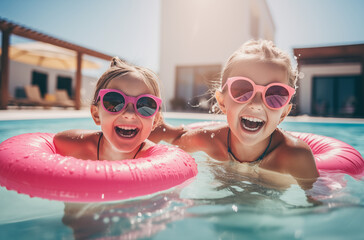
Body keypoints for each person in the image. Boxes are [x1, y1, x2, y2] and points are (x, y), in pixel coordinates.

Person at [150, 40, 319, 189]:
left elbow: (317, 204)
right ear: (222, 102)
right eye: (242, 89)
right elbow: (174, 140)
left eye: (275, 94)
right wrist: (161, 129)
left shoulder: (296, 157)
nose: (256, 104)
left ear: (283, 113)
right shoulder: (207, 141)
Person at [54, 57, 162, 161]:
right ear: (96, 115)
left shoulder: (158, 160)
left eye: (145, 104)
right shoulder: (69, 145)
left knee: (166, 133)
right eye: (114, 101)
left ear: (155, 121)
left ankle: (169, 132)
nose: (129, 114)